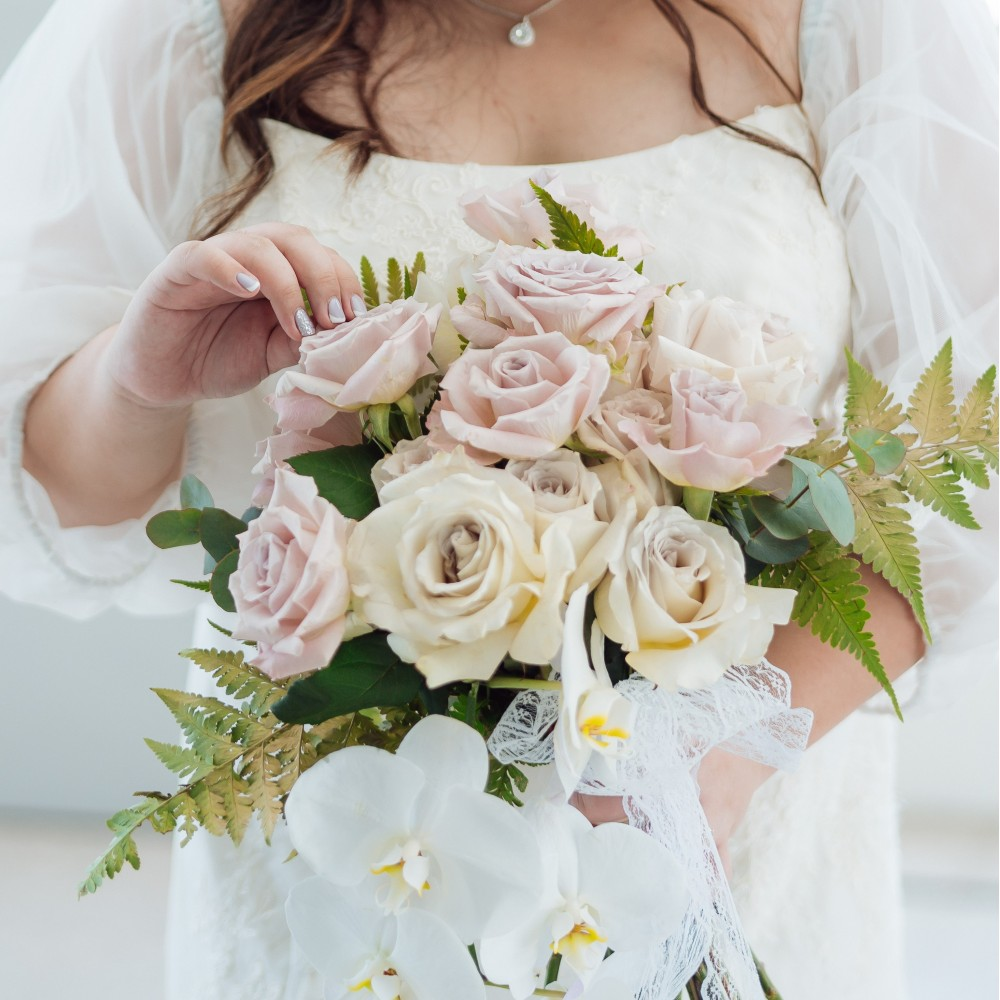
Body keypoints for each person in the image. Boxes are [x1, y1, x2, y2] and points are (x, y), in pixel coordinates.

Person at [0, 0, 995, 997]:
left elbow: (958, 497)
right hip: (348, 867)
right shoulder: (183, 26)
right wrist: (135, 380)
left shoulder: (854, 21)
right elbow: (60, 498)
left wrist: (708, 765)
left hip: (736, 816)